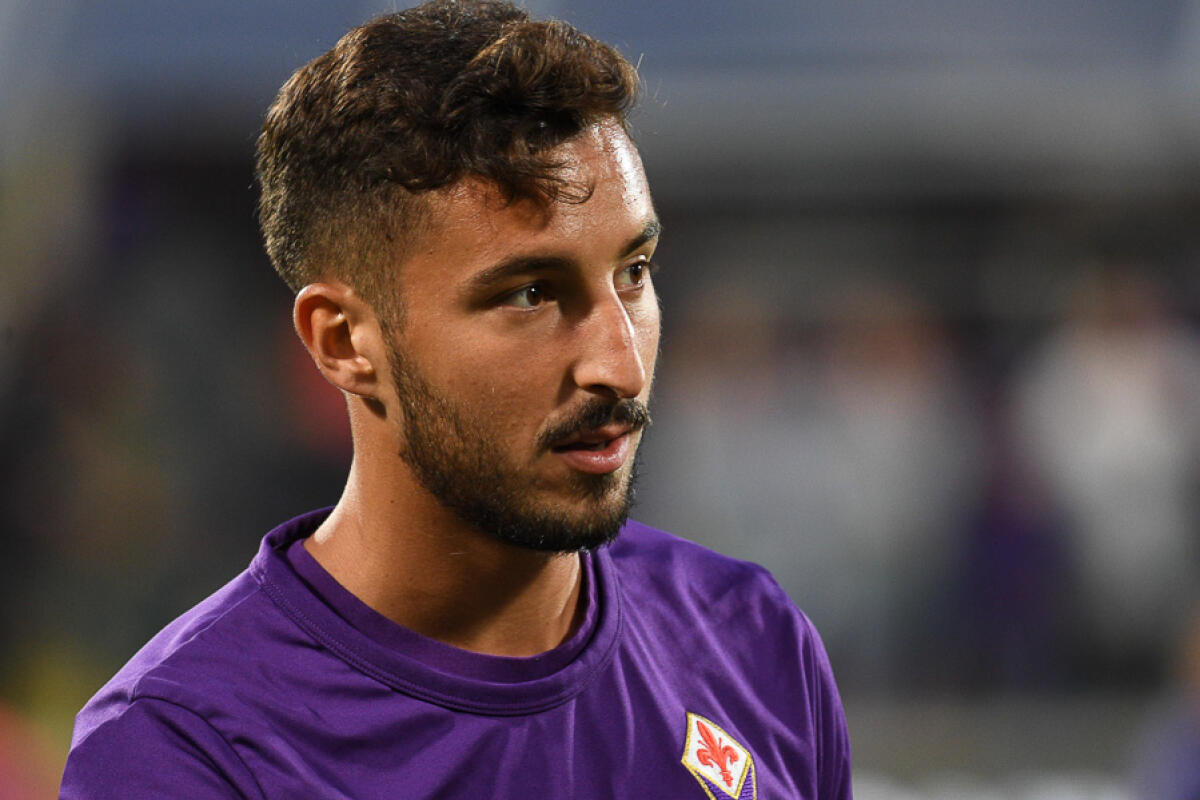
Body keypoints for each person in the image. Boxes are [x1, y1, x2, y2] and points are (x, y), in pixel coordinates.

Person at [60, 2, 853, 797]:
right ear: (342, 342)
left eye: (634, 273)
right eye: (531, 294)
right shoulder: (184, 749)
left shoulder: (753, 643)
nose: (619, 365)